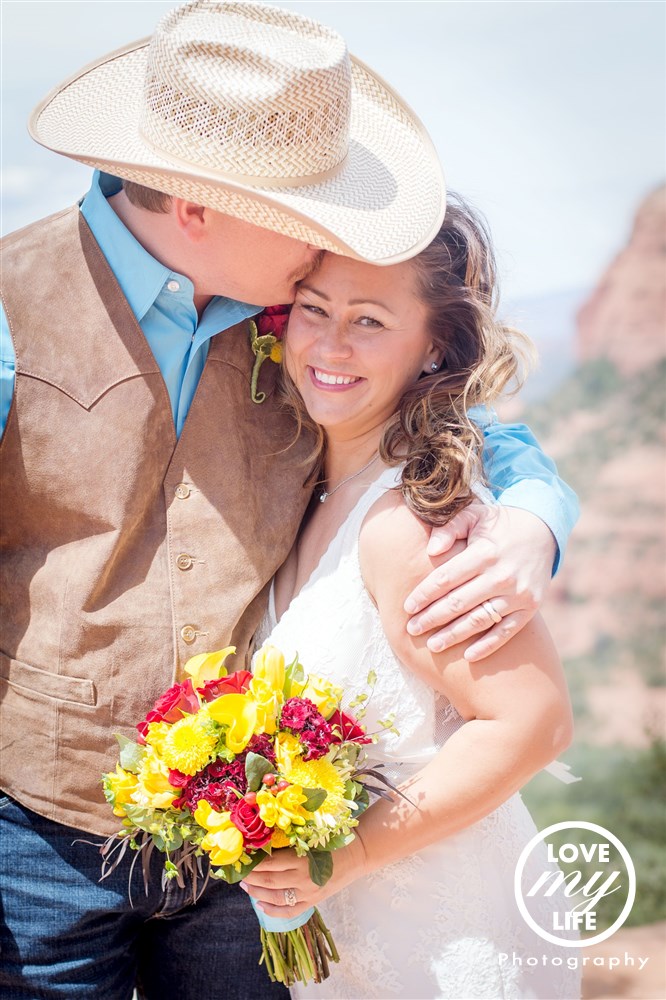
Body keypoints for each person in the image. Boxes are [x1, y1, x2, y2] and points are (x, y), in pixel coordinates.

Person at [0, 3, 576, 998]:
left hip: (248, 858)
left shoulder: (295, 320)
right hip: (39, 846)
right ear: (199, 208)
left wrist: (534, 516)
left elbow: (457, 423)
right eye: (308, 208)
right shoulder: (11, 310)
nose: (330, 239)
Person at [242, 198, 581, 999]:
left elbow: (535, 722)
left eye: (369, 322)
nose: (329, 343)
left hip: (445, 939)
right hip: (348, 938)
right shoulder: (306, 490)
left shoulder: (411, 522)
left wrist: (350, 856)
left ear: (433, 346)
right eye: (315, 310)